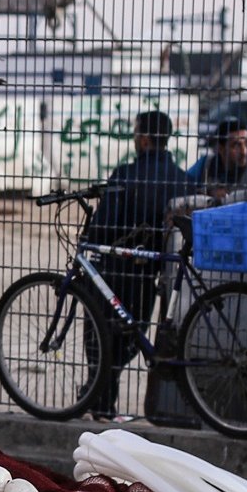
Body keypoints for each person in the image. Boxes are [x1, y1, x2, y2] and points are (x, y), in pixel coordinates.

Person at [85, 109, 197, 416]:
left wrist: (91, 235)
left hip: (115, 270)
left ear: (144, 139)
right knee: (129, 339)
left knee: (100, 340)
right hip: (153, 276)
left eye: (136, 133)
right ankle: (98, 398)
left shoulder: (125, 175)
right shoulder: (183, 180)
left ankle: (100, 401)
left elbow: (103, 227)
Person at [188, 117, 247, 195]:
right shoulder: (206, 164)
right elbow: (181, 185)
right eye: (236, 145)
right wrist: (209, 193)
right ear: (220, 148)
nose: (244, 151)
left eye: (246, 143)